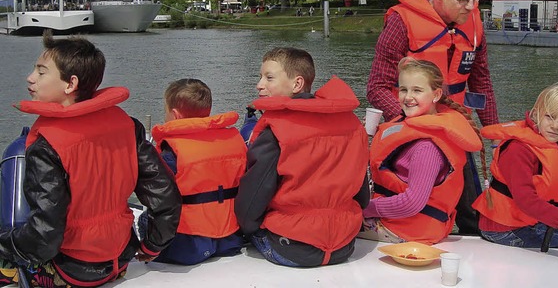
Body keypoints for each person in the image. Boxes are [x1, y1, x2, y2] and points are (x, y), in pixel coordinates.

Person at [1, 33, 181, 287]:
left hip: (72, 270)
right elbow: (166, 197)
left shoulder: (47, 146)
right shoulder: (128, 125)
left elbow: (45, 235)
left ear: (70, 84)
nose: (30, 78)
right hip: (120, 261)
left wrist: (7, 243)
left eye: (41, 72)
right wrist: (152, 246)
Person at [366, 0, 499, 234]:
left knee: (472, 215)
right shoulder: (400, 23)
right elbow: (377, 87)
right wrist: (415, 125)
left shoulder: (474, 27)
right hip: (411, 130)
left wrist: (494, 135)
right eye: (463, 0)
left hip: (454, 128)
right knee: (412, 200)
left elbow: (481, 83)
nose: (472, 7)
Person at [234, 47, 370, 267]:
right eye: (260, 77)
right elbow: (363, 197)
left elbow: (252, 201)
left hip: (290, 247)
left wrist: (246, 228)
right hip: (343, 247)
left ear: (297, 84)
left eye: (269, 78)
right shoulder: (353, 125)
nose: (259, 85)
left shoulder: (276, 131)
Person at [360, 58, 484, 244]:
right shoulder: (413, 126)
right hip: (405, 222)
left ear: (436, 95)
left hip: (409, 229)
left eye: (417, 90)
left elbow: (412, 203)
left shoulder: (427, 148)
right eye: (403, 89)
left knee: (334, 220)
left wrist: (363, 208)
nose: (407, 97)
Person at [472, 79, 558, 253]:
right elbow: (525, 199)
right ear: (536, 114)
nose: (555, 126)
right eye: (549, 117)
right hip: (503, 228)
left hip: (529, 222)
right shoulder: (518, 149)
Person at [140, 79, 247, 265]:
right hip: (230, 239)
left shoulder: (171, 153)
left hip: (187, 246)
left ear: (175, 115)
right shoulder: (234, 142)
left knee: (142, 219)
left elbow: (162, 201)